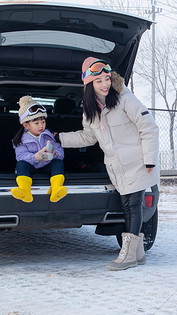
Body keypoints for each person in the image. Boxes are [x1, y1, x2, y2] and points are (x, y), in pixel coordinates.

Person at [56, 57, 160, 271]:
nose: (105, 84)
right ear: (88, 85)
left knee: (133, 205)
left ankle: (129, 254)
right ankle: (138, 254)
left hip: (139, 162)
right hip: (117, 166)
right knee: (127, 206)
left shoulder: (125, 99)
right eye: (98, 81)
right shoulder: (91, 108)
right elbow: (88, 138)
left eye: (106, 79)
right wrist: (59, 138)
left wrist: (150, 159)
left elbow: (149, 128)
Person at [11, 95, 67, 203]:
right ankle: (24, 191)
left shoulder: (49, 135)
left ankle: (56, 189)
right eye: (36, 123)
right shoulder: (20, 139)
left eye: (43, 122)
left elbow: (61, 153)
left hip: (46, 166)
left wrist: (54, 154)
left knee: (58, 163)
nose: (41, 126)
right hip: (30, 167)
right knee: (21, 164)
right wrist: (35, 157)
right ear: (26, 125)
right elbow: (20, 156)